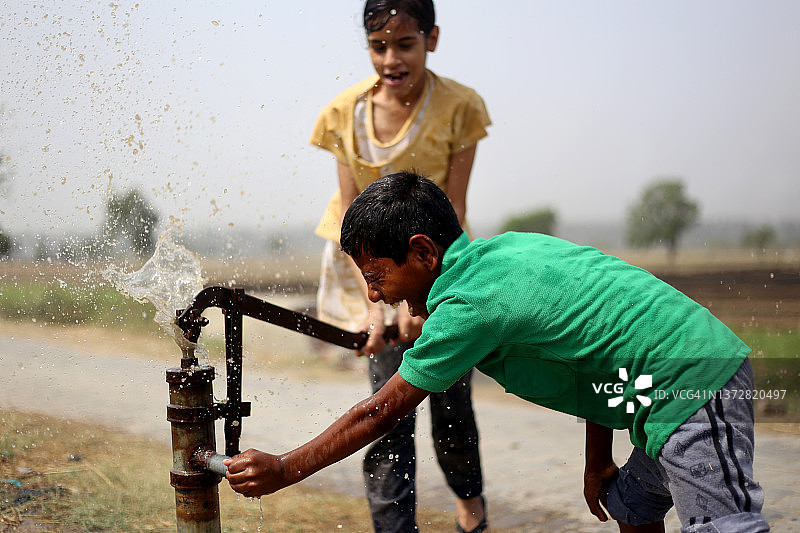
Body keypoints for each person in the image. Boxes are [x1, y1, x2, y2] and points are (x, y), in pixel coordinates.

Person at [225, 172, 770, 533]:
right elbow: (591, 345)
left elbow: (379, 411)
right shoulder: (505, 250)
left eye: (376, 277)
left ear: (422, 251)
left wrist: (284, 467)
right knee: (630, 502)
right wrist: (596, 460)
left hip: (696, 383)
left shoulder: (468, 307)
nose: (374, 295)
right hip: (665, 389)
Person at [308, 1, 491, 531]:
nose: (392, 58)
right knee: (389, 411)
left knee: (451, 405)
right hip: (370, 274)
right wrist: (372, 309)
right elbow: (349, 220)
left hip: (442, 268)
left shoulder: (460, 106)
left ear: (432, 39)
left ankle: (470, 505)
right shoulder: (345, 112)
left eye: (405, 44)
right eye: (378, 45)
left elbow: (454, 211)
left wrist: (427, 303)